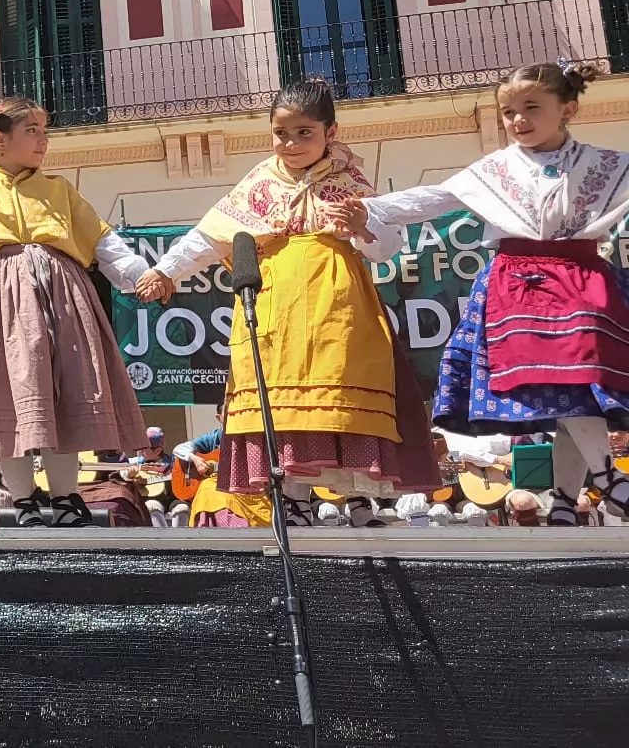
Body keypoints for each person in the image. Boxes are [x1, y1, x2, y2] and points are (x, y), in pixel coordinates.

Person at [336, 62, 629, 526]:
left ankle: (567, 501)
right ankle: (604, 478)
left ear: (567, 108)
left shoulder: (607, 165)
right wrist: (368, 210)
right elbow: (432, 198)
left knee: (577, 391)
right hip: (519, 285)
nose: (518, 119)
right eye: (508, 111)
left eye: (532, 107)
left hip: (584, 280)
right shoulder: (496, 170)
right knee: (571, 388)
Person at [141, 80, 442, 526]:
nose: (291, 143)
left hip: (337, 303)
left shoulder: (351, 181)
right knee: (279, 403)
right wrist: (166, 270)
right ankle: (294, 499)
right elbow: (209, 235)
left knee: (338, 398)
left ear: (330, 132)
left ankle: (356, 501)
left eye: (304, 132)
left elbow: (388, 247)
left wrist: (363, 225)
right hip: (273, 301)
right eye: (282, 132)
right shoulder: (259, 182)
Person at [0, 96, 152, 528]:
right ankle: (22, 500)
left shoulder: (59, 189)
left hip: (62, 299)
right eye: (32, 131)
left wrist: (140, 275)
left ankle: (65, 498)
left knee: (65, 395)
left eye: (45, 130)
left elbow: (102, 242)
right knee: (5, 395)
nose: (43, 140)